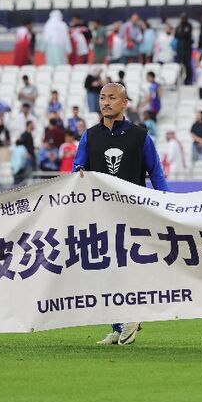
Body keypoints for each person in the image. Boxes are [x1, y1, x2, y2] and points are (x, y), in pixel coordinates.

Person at [72, 83, 168, 346]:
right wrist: (78, 175)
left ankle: (130, 317)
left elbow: (156, 173)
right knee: (101, 270)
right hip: (99, 215)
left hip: (132, 214)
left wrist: (168, 204)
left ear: (124, 103)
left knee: (125, 269)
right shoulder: (89, 136)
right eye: (102, 97)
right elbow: (77, 169)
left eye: (112, 98)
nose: (105, 102)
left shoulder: (140, 136)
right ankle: (118, 324)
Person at [174, 13, 194, 85]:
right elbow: (176, 35)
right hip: (180, 49)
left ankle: (188, 81)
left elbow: (186, 35)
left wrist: (182, 35)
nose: (183, 19)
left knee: (187, 65)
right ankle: (177, 81)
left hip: (187, 49)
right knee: (178, 65)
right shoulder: (179, 26)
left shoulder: (188, 26)